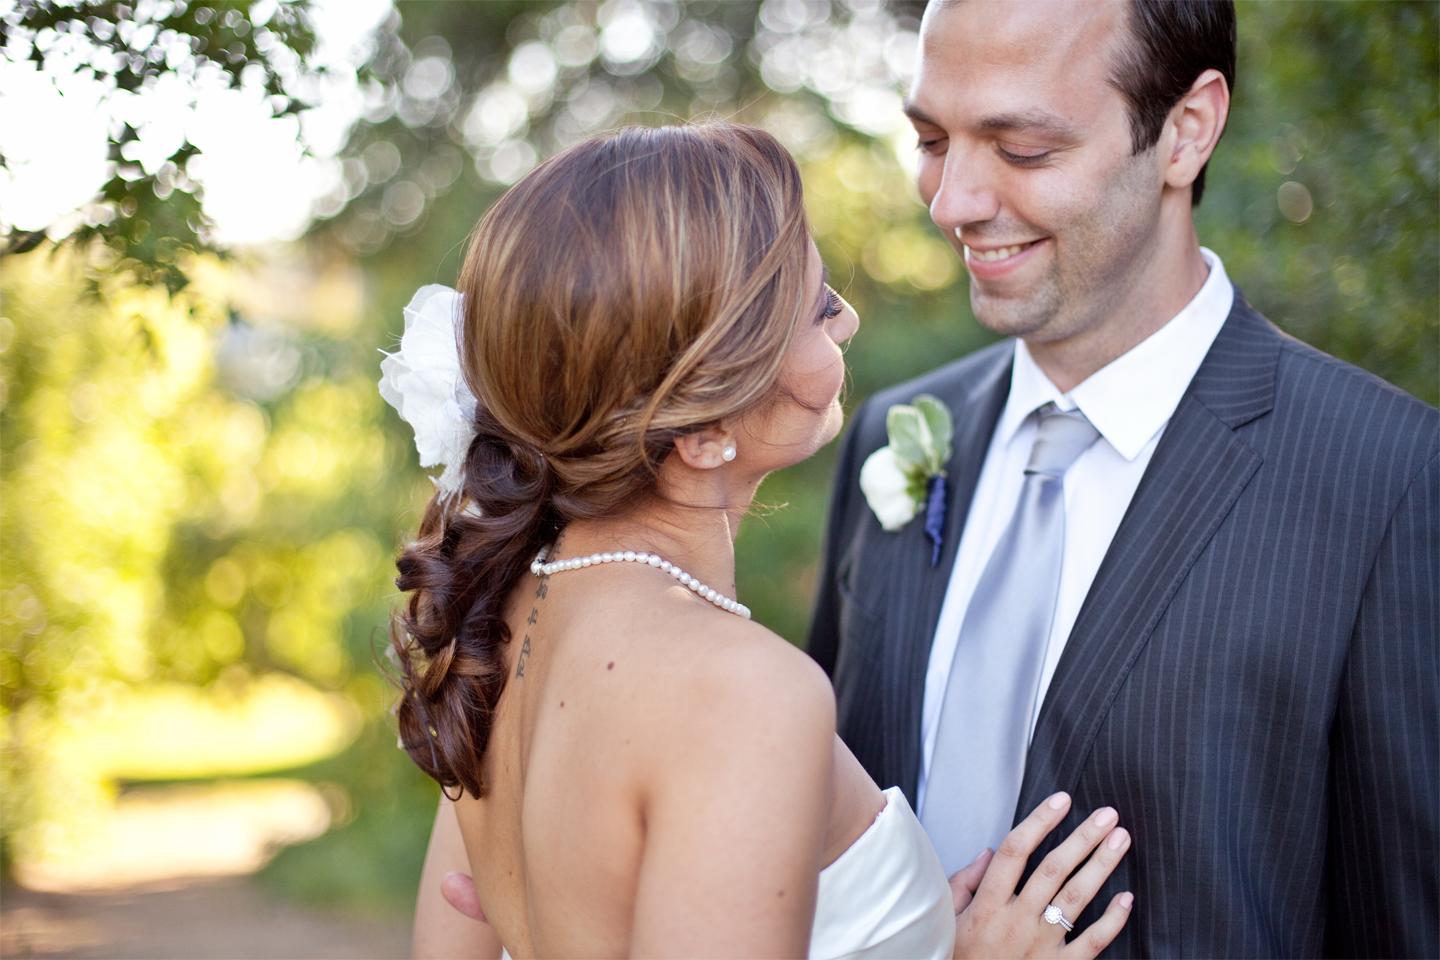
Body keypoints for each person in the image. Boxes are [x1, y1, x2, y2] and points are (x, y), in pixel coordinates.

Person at [382, 123, 1135, 958]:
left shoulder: (499, 626)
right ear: (701, 430)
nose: (846, 321)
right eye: (816, 308)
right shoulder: (743, 692)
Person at [807, 0, 1439, 956]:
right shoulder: (888, 441)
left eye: (1021, 149)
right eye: (934, 139)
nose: (953, 202)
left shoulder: (1392, 479)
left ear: (1186, 131)